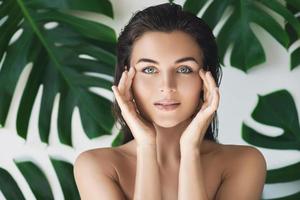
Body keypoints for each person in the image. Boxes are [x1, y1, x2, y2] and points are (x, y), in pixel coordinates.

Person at [74, 3, 267, 200]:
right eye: (149, 70)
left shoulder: (243, 163)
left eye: (184, 69)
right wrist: (147, 147)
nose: (167, 86)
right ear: (127, 80)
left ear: (206, 81)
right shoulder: (96, 167)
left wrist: (190, 151)